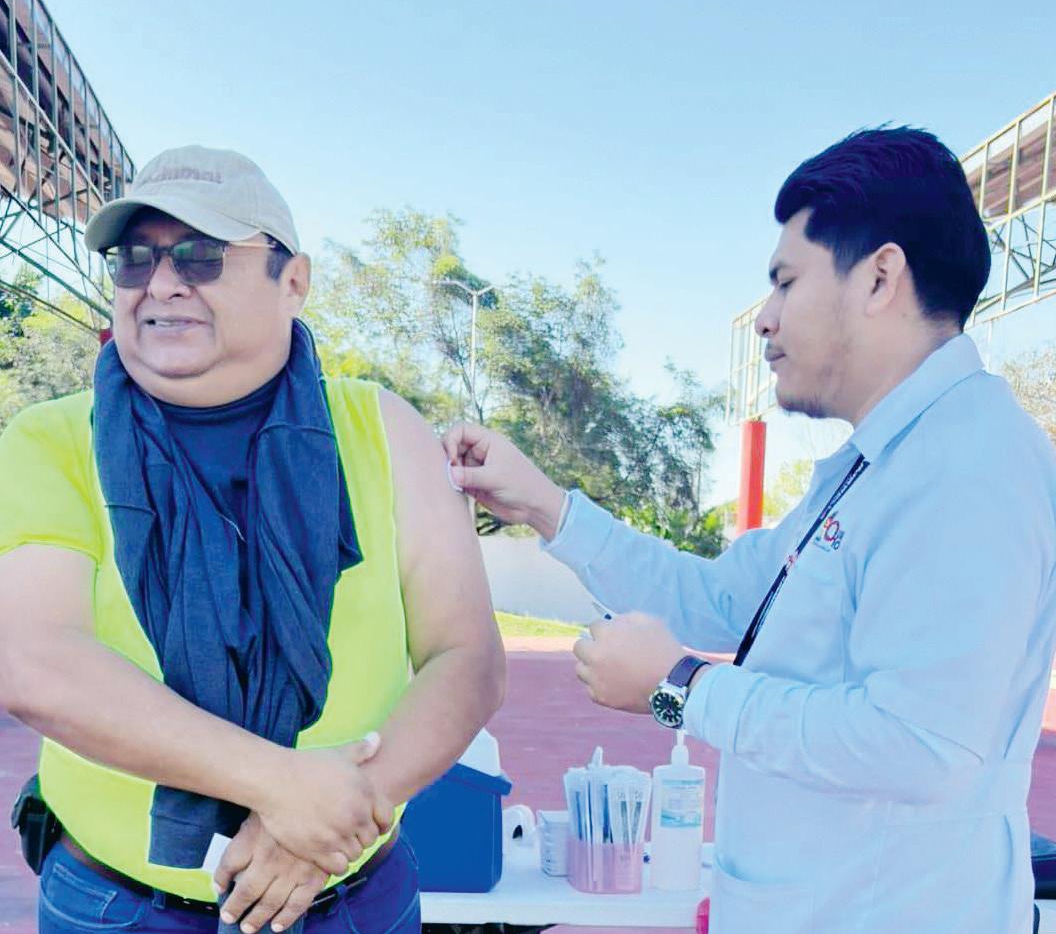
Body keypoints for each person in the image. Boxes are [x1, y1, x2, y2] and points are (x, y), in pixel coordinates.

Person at [443, 127, 1056, 934]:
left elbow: (920, 743)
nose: (765, 319)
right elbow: (721, 596)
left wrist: (679, 687)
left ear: (880, 277)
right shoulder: (877, 466)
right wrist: (547, 506)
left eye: (786, 282)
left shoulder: (967, 463)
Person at [0, 145, 505, 934]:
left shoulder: (381, 429)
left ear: (293, 281)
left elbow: (466, 656)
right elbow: (34, 662)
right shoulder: (52, 439)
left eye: (199, 254)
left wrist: (330, 822)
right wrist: (283, 787)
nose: (161, 282)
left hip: (351, 896)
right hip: (123, 907)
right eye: (135, 258)